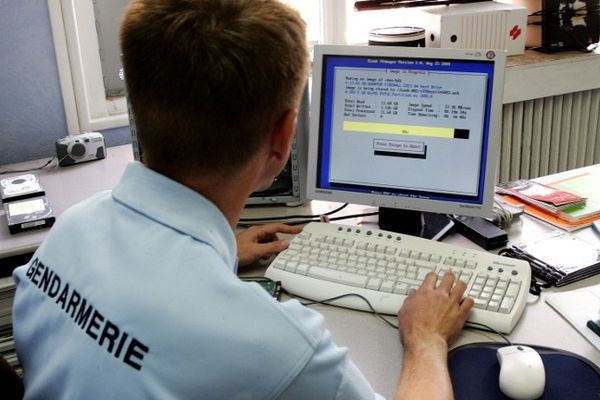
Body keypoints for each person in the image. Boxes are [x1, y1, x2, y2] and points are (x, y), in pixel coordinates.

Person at [12, 0, 473, 399]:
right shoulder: (278, 346)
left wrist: (218, 253)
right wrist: (426, 338)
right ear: (283, 135)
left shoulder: (67, 233)